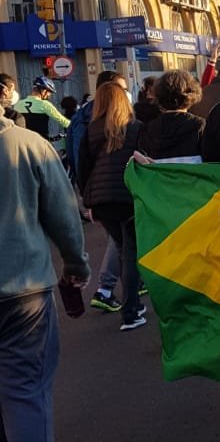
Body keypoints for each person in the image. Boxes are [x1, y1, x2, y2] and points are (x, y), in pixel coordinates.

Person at [0, 73, 90, 442]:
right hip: (22, 294)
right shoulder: (28, 146)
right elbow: (62, 214)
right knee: (25, 398)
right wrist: (76, 267)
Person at [77, 82, 145, 331]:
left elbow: (82, 166)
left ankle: (129, 303)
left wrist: (88, 200)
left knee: (122, 247)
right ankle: (131, 311)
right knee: (130, 253)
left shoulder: (91, 129)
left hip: (101, 199)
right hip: (127, 197)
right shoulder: (136, 128)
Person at [67, 72, 127, 311]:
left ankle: (122, 282)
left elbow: (76, 159)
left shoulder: (81, 120)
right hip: (114, 194)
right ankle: (105, 288)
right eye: (121, 89)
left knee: (119, 241)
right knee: (120, 242)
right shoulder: (107, 122)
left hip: (97, 194)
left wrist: (87, 196)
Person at [138, 70, 203, 160]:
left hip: (159, 173)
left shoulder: (148, 129)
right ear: (191, 95)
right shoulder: (199, 126)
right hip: (192, 173)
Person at [18, 76, 71, 142]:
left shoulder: (18, 104)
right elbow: (63, 121)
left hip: (23, 142)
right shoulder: (44, 104)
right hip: (40, 142)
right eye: (49, 92)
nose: (49, 95)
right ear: (44, 91)